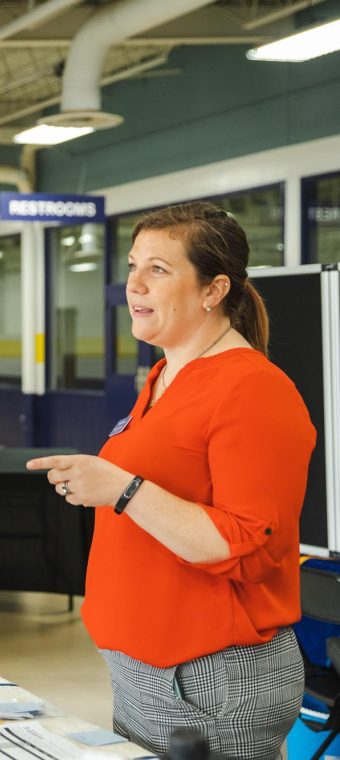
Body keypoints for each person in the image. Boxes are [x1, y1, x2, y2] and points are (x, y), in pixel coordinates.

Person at [27, 201, 314, 760]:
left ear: (213, 289)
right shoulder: (166, 373)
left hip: (210, 679)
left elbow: (248, 546)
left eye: (158, 269)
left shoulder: (254, 389)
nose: (134, 285)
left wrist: (123, 490)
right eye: (133, 266)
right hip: (145, 671)